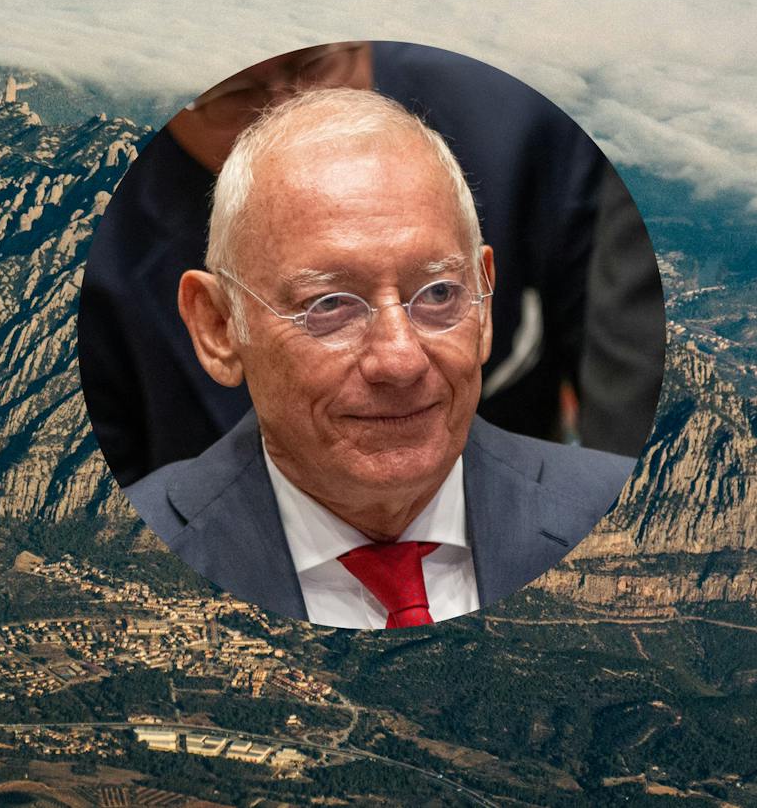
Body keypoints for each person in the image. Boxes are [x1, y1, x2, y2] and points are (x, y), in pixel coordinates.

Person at [124, 89, 635, 627]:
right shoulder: (131, 547)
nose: (400, 360)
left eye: (439, 294)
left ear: (484, 304)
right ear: (220, 328)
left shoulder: (614, 507)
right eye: (330, 305)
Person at [80, 40, 662, 487]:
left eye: (315, 66)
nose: (292, 116)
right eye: (234, 96)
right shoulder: (88, 250)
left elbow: (635, 385)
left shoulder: (523, 125)